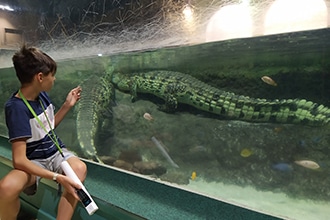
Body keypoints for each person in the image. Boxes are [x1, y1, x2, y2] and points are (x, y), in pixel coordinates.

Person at [0, 45, 87, 220]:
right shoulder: (16, 108)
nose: (54, 79)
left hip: (55, 153)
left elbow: (47, 127)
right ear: (40, 77)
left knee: (79, 168)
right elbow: (19, 160)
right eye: (51, 75)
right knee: (7, 187)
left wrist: (67, 105)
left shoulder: (42, 95)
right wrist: (56, 177)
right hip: (33, 161)